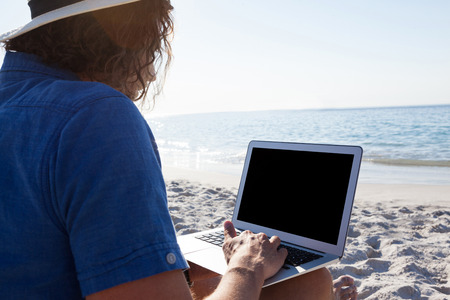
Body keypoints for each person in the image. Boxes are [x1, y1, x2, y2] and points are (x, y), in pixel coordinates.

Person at [0, 0, 358, 299]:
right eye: (154, 44)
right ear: (126, 34)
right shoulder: (96, 115)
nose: (151, 74)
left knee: (308, 281)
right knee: (304, 284)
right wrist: (246, 268)